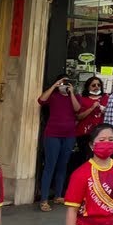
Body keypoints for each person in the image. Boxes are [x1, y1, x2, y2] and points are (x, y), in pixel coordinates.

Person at [39, 76, 80, 211]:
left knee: (63, 165)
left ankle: (58, 195)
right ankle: (44, 199)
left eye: (67, 83)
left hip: (69, 135)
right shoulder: (53, 96)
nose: (64, 86)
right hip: (53, 135)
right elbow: (41, 100)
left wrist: (71, 93)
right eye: (63, 83)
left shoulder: (74, 96)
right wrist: (54, 86)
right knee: (50, 165)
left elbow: (77, 109)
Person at [74, 76, 109, 171]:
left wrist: (105, 110)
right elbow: (79, 116)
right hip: (85, 134)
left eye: (99, 85)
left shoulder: (105, 98)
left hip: (100, 134)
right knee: (86, 158)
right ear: (88, 87)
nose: (96, 87)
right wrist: (92, 108)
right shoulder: (82, 99)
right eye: (93, 85)